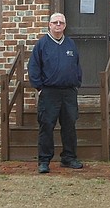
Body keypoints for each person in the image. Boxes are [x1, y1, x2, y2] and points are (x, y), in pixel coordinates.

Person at [28, 12, 83, 173]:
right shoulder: (42, 45)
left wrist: (76, 83)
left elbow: (77, 66)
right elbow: (34, 67)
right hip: (49, 92)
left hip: (68, 93)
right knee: (47, 126)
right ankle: (44, 161)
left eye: (61, 22)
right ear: (49, 25)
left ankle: (69, 158)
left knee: (69, 126)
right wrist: (39, 87)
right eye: (55, 22)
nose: (58, 25)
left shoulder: (71, 44)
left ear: (65, 25)